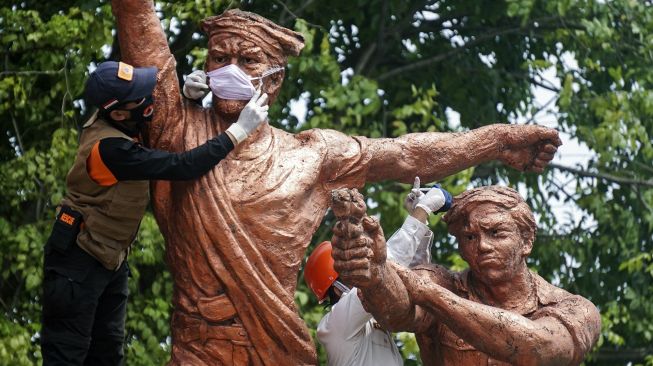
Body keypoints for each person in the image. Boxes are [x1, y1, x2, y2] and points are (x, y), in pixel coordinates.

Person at [111, 1, 561, 364]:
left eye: (248, 60)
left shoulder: (311, 155)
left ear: (275, 80)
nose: (232, 70)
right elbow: (138, 23)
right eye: (220, 58)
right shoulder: (178, 132)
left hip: (280, 347)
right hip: (196, 349)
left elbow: (407, 154)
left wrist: (497, 140)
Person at [40, 60, 267, 365]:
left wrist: (189, 97)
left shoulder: (121, 121)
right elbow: (181, 166)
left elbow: (160, 123)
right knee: (67, 356)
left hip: (110, 258)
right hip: (77, 261)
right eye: (141, 97)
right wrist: (238, 131)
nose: (150, 100)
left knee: (107, 356)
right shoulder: (111, 149)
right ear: (119, 112)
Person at [330, 186, 601, 366]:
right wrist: (376, 275)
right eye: (470, 237)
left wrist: (427, 293)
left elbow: (541, 348)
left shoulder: (572, 308)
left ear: (527, 240)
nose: (482, 246)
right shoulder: (441, 282)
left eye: (496, 233)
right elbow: (398, 312)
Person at [304, 181, 451, 366]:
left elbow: (408, 276)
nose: (365, 266)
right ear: (337, 287)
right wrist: (422, 210)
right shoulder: (335, 325)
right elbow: (384, 270)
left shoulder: (371, 313)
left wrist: (420, 218)